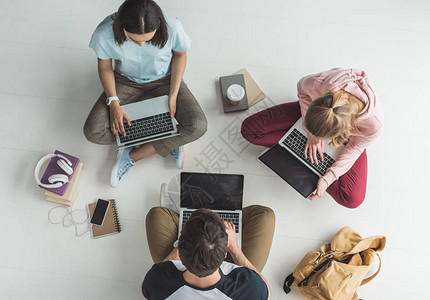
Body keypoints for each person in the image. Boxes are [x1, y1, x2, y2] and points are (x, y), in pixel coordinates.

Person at [83, 0, 207, 187]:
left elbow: (181, 55)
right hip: (125, 81)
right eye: (133, 39)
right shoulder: (103, 33)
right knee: (93, 132)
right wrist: (114, 102)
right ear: (120, 26)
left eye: (147, 40)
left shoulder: (173, 26)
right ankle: (172, 138)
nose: (141, 45)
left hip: (165, 79)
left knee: (198, 125)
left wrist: (173, 94)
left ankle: (132, 154)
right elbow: (105, 66)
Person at [241, 68, 383, 208]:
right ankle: (304, 141)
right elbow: (302, 89)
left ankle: (306, 152)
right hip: (314, 116)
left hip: (351, 142)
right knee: (249, 131)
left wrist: (328, 179)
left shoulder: (373, 124)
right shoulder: (318, 84)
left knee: (352, 199)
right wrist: (311, 133)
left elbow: (356, 147)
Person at [142, 206, 275, 299]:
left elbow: (147, 295)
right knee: (264, 214)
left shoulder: (156, 280)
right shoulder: (249, 286)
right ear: (225, 254)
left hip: (187, 262)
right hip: (221, 263)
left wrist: (185, 243)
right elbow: (267, 293)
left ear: (181, 253)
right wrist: (235, 249)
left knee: (157, 214)